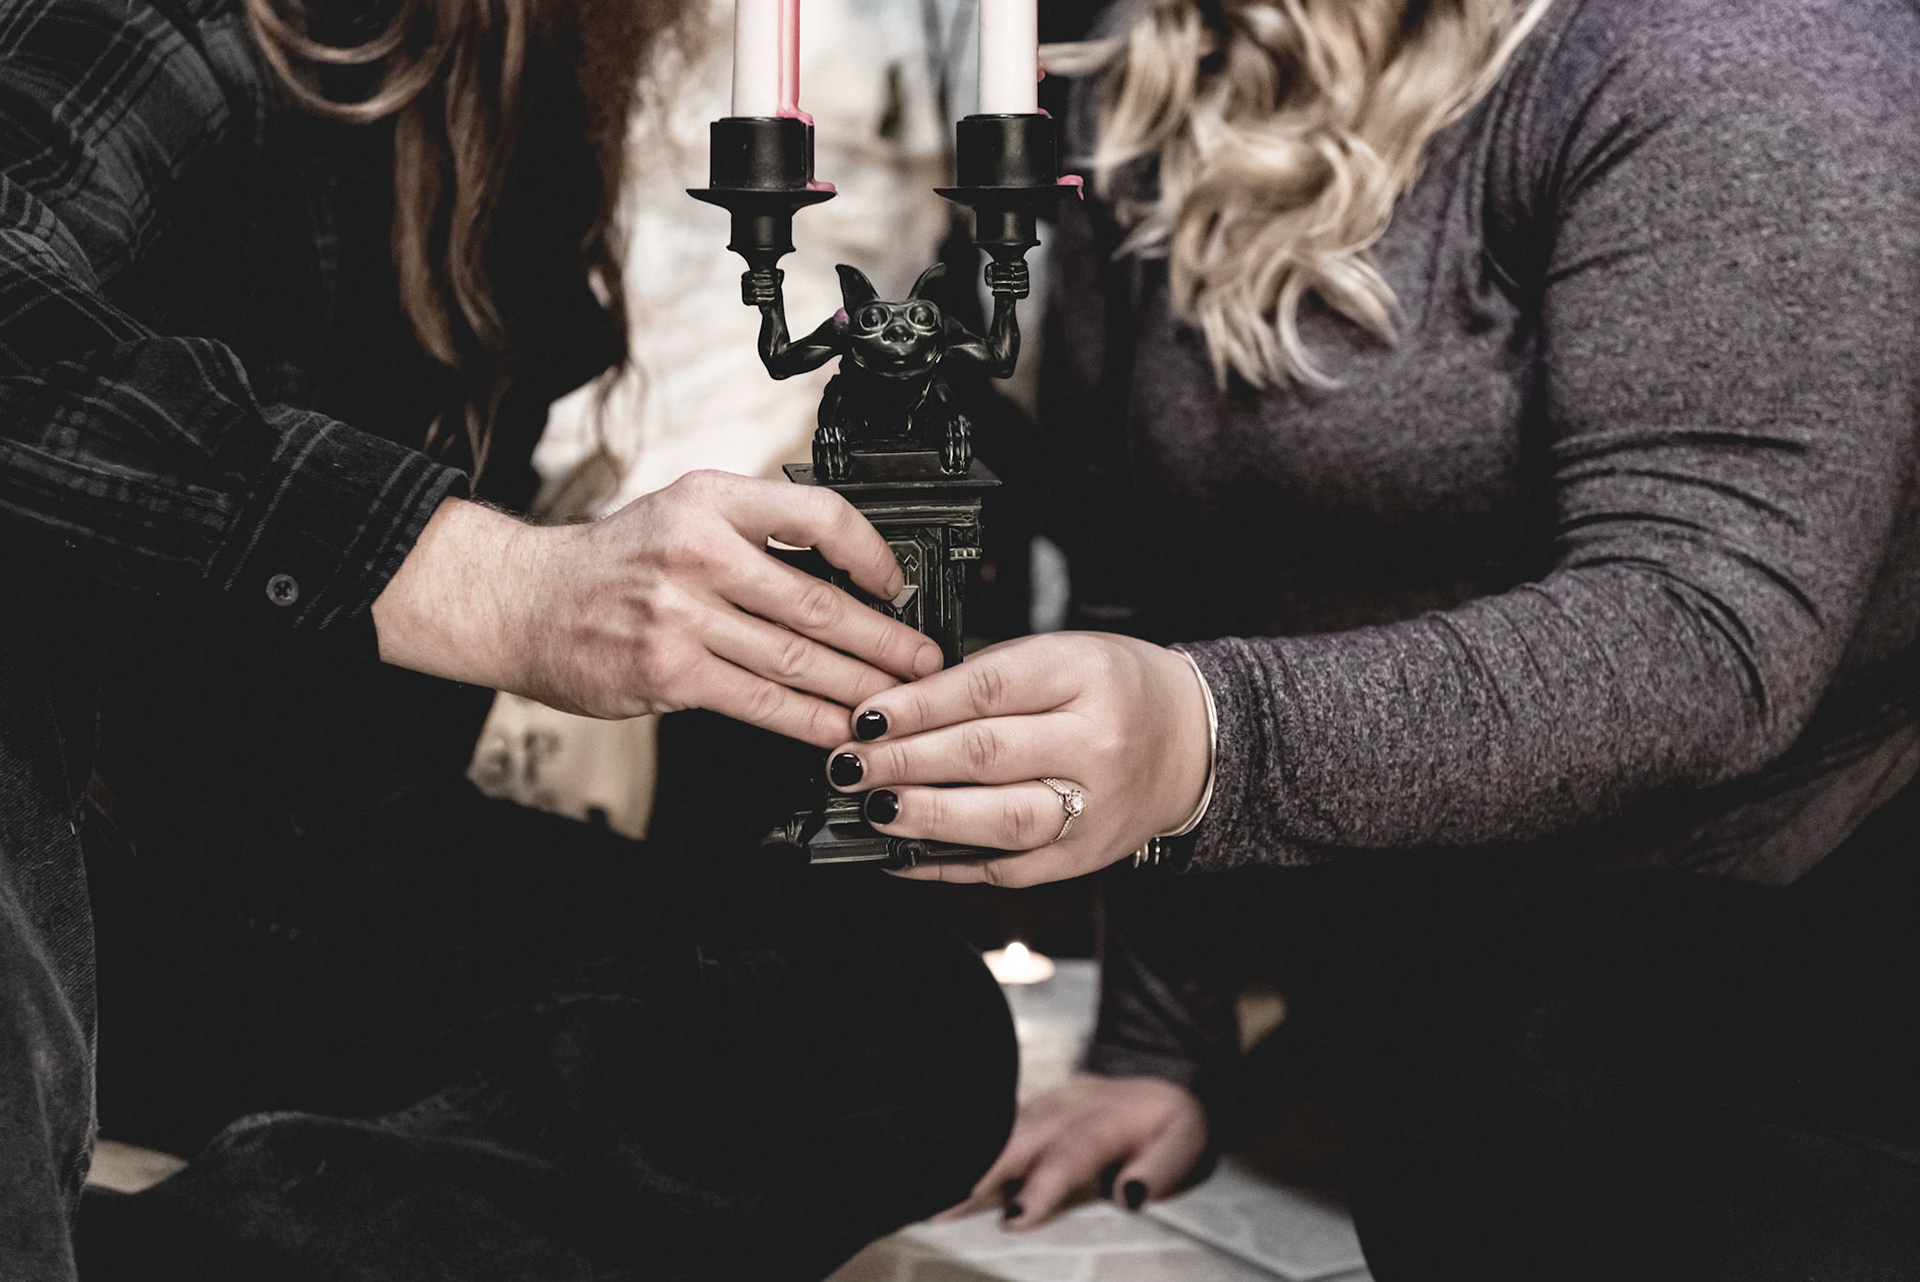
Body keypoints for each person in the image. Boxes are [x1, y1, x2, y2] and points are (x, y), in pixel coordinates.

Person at [814, 0, 1920, 1275]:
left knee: (1530, 1128)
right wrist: (1159, 1041)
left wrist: (1213, 739)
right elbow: (1147, 572)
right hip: (1428, 939)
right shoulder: (1155, 63)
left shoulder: (1736, 47)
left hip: (1780, 906)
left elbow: (1708, 630)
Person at [0, 0, 1013, 1277]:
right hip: (94, 899)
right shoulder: (197, 27)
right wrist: (496, 586)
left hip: (323, 876)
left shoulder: (542, 74)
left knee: (900, 1025)